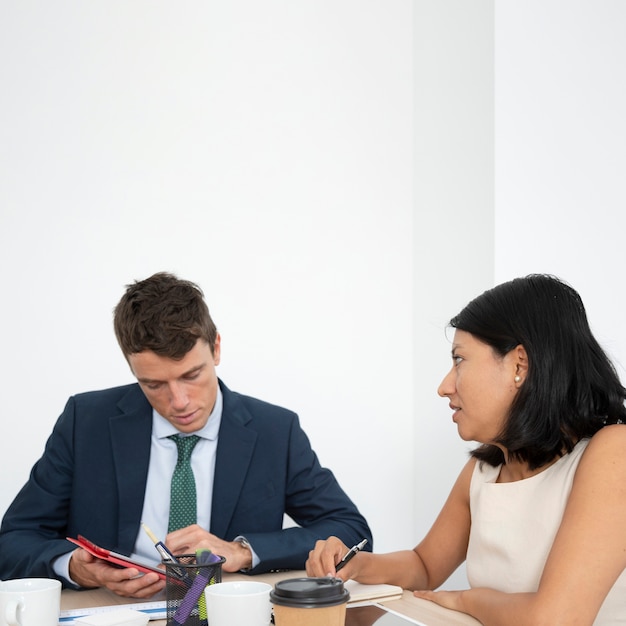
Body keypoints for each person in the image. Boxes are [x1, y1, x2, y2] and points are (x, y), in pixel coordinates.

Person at [0, 272, 372, 598]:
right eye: (153, 384)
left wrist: (241, 551)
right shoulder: (86, 422)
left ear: (217, 348)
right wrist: (75, 568)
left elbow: (352, 531)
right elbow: (12, 542)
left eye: (192, 376)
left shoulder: (274, 431)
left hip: (223, 613)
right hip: (111, 611)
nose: (178, 402)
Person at [307, 274, 626, 626]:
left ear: (519, 365)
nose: (444, 387)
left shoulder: (614, 451)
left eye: (459, 359)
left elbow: (554, 619)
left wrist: (466, 600)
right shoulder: (484, 471)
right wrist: (358, 564)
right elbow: (424, 566)